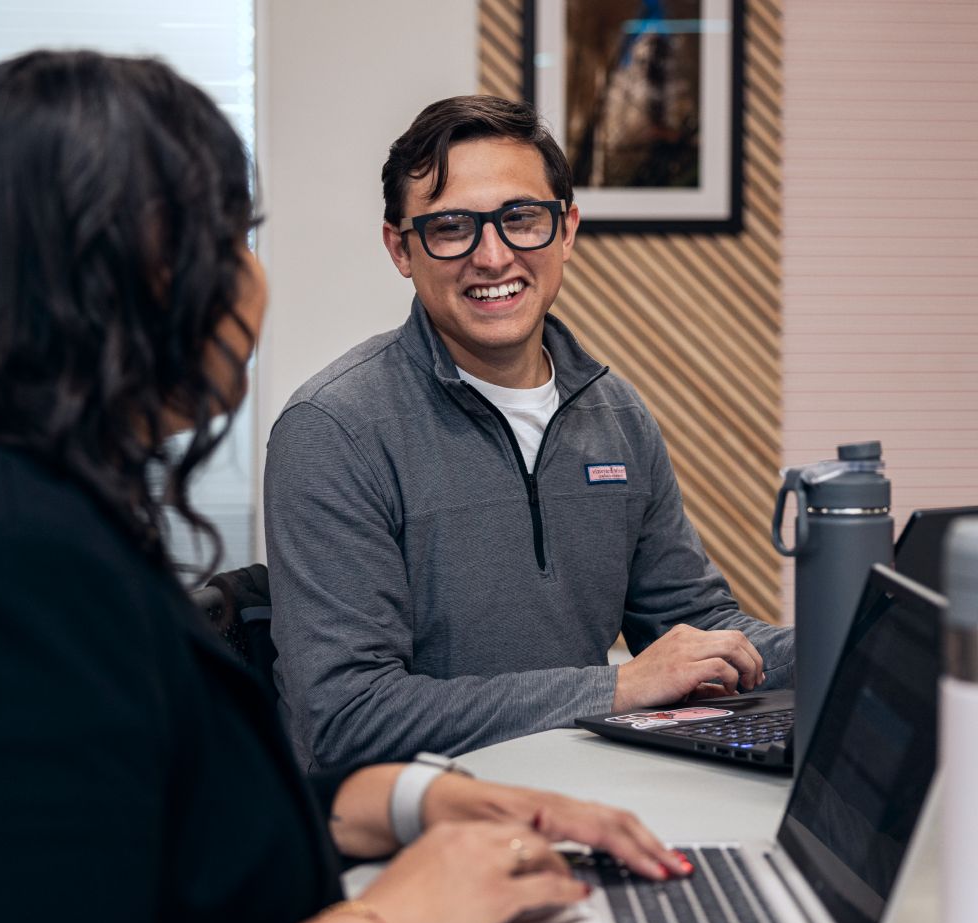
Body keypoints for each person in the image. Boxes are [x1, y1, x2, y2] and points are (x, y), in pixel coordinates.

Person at [0, 52, 690, 923]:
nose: (254, 280)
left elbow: (154, 825)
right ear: (131, 273)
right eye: (234, 238)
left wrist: (420, 798)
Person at [264, 95, 793, 773]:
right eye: (452, 226)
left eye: (521, 219)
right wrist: (618, 687)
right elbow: (345, 719)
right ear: (401, 247)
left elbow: (701, 628)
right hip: (416, 837)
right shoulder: (334, 430)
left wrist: (868, 639)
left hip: (583, 799)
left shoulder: (617, 415)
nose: (493, 256)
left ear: (565, 230)